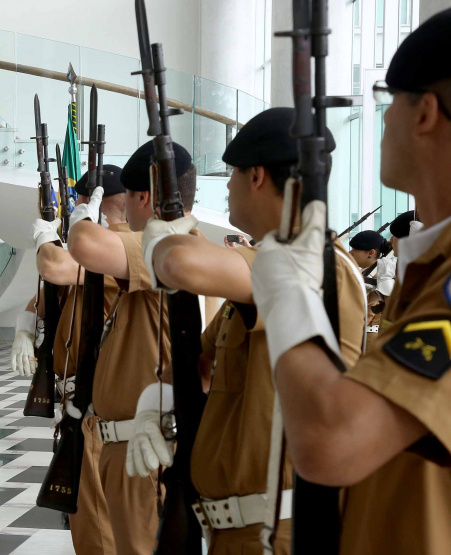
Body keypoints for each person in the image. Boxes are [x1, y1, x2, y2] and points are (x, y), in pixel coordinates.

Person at [249, 9, 451, 553]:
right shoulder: (430, 270)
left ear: (425, 113)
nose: (382, 122)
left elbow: (331, 439)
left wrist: (284, 290)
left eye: (390, 102)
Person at [139, 108, 366, 554]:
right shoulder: (268, 266)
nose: (226, 187)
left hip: (279, 533)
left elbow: (180, 264)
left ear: (257, 176)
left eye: (233, 174)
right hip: (240, 530)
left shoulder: (314, 265)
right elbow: (201, 366)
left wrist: (160, 242)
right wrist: (156, 401)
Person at [63, 141, 196, 555]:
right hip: (123, 443)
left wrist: (83, 218)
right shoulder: (165, 245)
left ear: (143, 198)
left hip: (145, 448)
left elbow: (83, 247)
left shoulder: (162, 244)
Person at [16, 168, 128, 555]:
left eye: (79, 202)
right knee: (86, 522)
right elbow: (48, 293)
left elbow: (55, 267)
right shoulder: (92, 256)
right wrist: (25, 326)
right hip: (74, 406)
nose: (75, 208)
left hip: (99, 406)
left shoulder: (114, 250)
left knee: (98, 527)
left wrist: (47, 236)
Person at [348, 229, 395, 347]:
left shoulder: (378, 275)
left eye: (355, 250)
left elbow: (367, 316)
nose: (350, 253)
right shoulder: (366, 272)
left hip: (368, 337)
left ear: (371, 253)